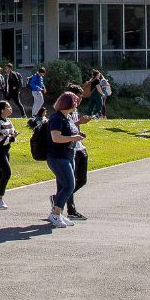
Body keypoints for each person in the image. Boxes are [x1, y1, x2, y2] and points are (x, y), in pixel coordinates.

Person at [46, 91, 86, 228]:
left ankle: (59, 213)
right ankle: (55, 214)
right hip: (58, 157)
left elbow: (70, 132)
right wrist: (73, 138)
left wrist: (78, 134)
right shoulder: (56, 118)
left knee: (63, 186)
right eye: (75, 102)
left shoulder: (67, 118)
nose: (77, 104)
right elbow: (56, 138)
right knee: (70, 185)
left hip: (68, 155)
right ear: (68, 103)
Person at [63, 84, 91, 221]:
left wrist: (80, 130)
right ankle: (71, 210)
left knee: (82, 180)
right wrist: (80, 122)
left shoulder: (75, 110)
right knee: (71, 180)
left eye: (80, 98)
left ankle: (59, 198)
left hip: (79, 146)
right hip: (70, 149)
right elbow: (65, 129)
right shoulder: (64, 111)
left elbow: (74, 129)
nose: (79, 100)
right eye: (77, 98)